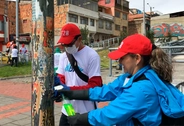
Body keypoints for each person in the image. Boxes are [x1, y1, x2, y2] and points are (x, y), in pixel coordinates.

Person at [56, 34, 184, 126]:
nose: (119, 61)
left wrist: (78, 119)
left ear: (137, 58)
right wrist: (70, 92)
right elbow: (106, 90)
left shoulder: (141, 89)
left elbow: (110, 114)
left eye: (123, 57)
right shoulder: (131, 76)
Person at [55, 23, 103, 126]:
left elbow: (95, 85)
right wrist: (58, 89)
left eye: (70, 44)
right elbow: (60, 78)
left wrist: (70, 90)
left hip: (86, 112)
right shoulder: (64, 56)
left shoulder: (92, 56)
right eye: (64, 44)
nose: (67, 47)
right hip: (68, 108)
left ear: (79, 39)